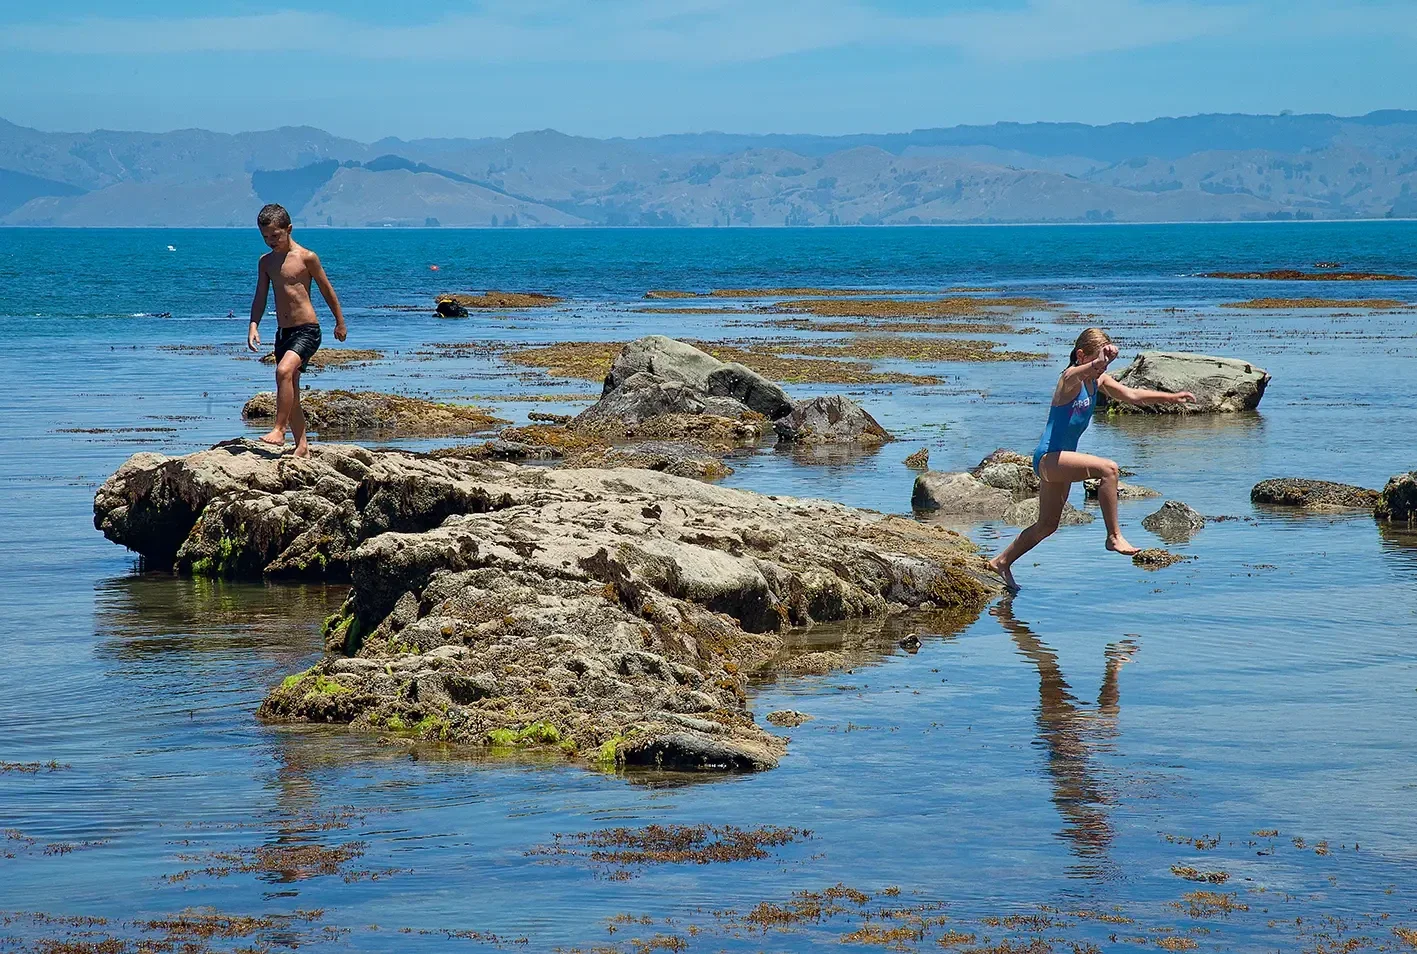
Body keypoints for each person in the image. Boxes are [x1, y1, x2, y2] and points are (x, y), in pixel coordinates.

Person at [987, 328, 1194, 591]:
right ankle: (1114, 537)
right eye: (1098, 362)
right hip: (1049, 458)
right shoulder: (1068, 380)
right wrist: (1099, 362)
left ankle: (1001, 562)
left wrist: (1172, 397)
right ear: (1081, 355)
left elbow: (1132, 395)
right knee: (1109, 469)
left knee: (1046, 526)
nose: (1102, 368)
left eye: (1105, 364)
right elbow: (1073, 374)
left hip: (1061, 461)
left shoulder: (1097, 380)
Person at [246, 203, 347, 457]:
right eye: (265, 237)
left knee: (283, 371)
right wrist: (253, 325)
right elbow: (260, 296)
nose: (271, 241)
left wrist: (339, 322)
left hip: (307, 330)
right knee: (290, 389)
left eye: (275, 235)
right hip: (283, 333)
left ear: (288, 229)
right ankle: (302, 447)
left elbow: (327, 290)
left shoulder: (306, 257)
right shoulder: (266, 262)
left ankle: (279, 430)